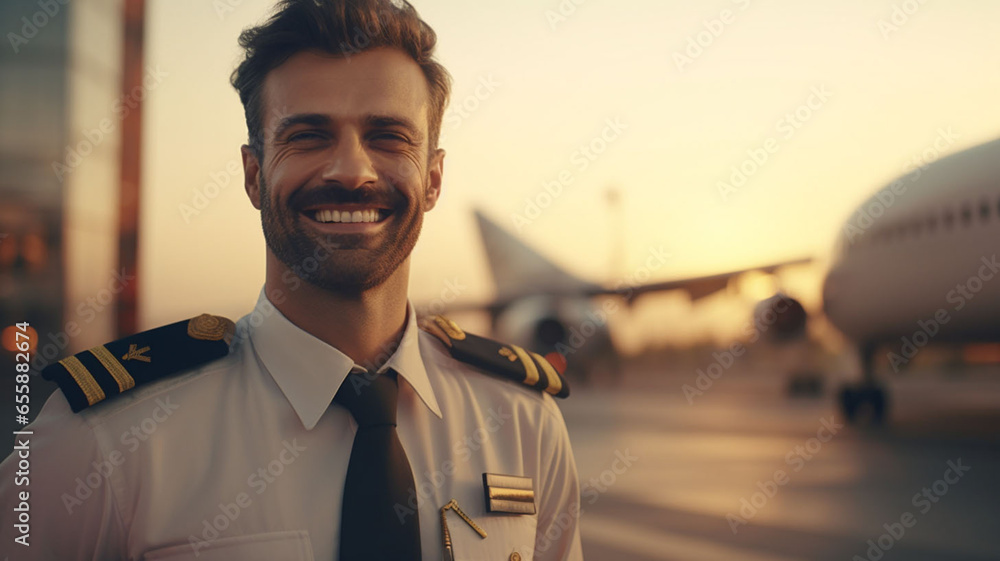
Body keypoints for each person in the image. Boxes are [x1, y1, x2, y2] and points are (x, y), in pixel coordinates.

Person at [0, 0, 583, 559]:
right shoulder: (101, 439)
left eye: (388, 137)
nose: (352, 171)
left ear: (432, 178)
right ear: (254, 175)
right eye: (308, 136)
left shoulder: (524, 421)